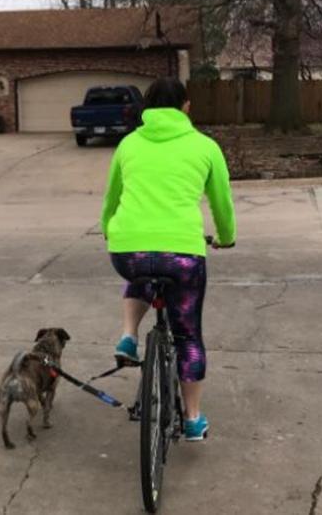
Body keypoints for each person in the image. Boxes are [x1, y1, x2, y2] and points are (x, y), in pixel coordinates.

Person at [100, 77, 236, 442]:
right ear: (186, 106)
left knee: (142, 270)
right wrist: (226, 237)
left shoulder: (128, 144)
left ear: (147, 108)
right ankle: (192, 420)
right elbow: (222, 202)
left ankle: (128, 336)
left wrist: (109, 230)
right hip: (183, 255)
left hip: (129, 250)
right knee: (188, 335)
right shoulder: (204, 146)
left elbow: (112, 197)